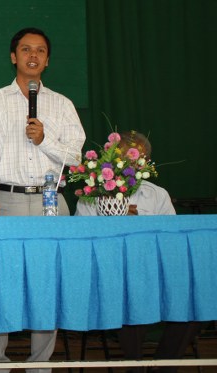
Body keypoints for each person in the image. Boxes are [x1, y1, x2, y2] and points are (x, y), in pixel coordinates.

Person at [0, 27, 85, 372]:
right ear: (14, 57)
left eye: (40, 50)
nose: (33, 55)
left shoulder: (62, 104)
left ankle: (41, 364)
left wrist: (44, 139)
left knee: (47, 284)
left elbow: (77, 157)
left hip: (50, 202)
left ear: (47, 60)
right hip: (6, 201)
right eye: (25, 49)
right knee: (1, 283)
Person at [76, 131, 201, 371]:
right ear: (110, 158)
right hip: (112, 275)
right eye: (125, 156)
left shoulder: (157, 195)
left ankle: (164, 366)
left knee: (197, 297)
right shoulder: (91, 195)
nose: (131, 163)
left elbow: (172, 241)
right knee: (130, 295)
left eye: (138, 158)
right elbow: (83, 244)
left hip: (154, 272)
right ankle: (135, 366)